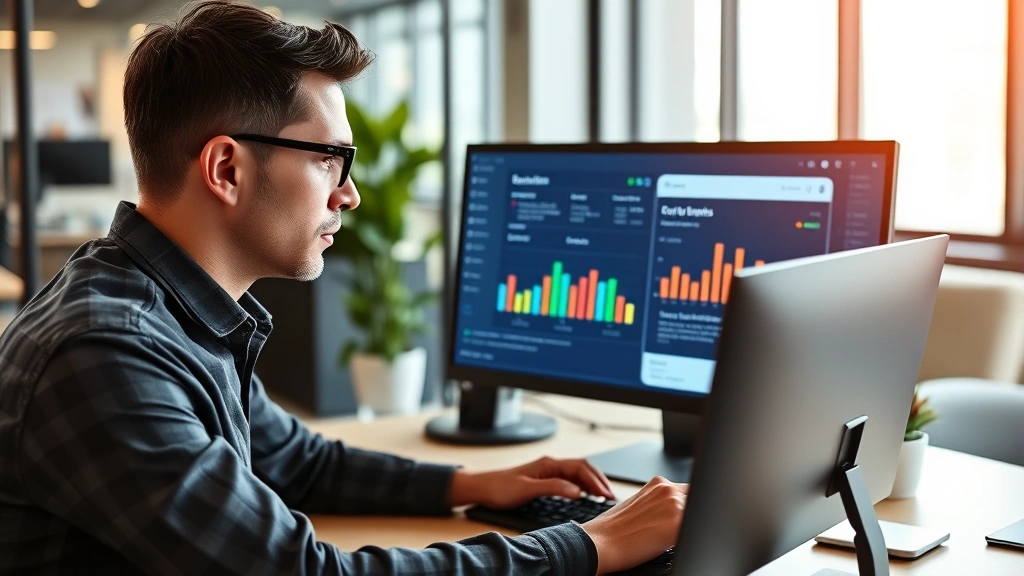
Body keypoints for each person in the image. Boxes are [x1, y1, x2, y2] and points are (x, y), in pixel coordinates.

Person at [0, 2, 687, 574]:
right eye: (331, 159)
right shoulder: (106, 353)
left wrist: (471, 485)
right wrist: (590, 543)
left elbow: (295, 460)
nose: (350, 194)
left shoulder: (175, 308)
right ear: (226, 169)